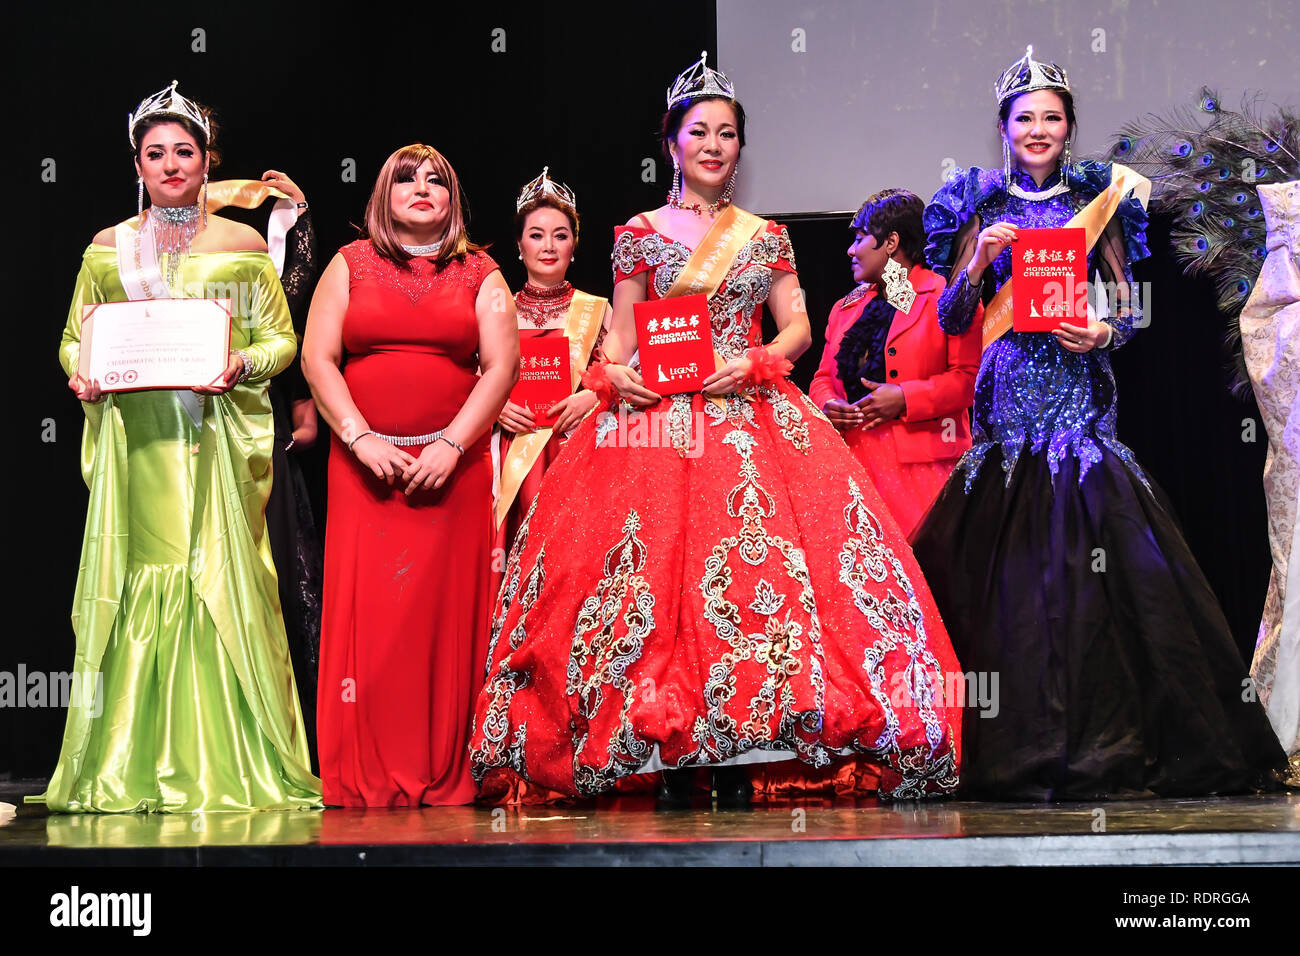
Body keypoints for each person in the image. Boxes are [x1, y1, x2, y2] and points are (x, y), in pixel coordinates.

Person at [469, 54, 962, 807]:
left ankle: (756, 742)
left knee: (763, 572)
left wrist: (762, 357)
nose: (713, 145)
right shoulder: (639, 232)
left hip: (748, 412)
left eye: (727, 134)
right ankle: (659, 743)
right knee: (648, 575)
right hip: (656, 422)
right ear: (670, 142)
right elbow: (620, 341)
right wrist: (614, 374)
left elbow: (797, 324)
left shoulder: (764, 236)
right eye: (698, 131)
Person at [911, 47, 1287, 799]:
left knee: (1102, 564)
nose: (1039, 129)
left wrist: (1105, 333)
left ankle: (1117, 740)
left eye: (1052, 118)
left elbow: (1131, 308)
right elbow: (952, 318)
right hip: (1010, 399)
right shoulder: (977, 204)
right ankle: (1005, 741)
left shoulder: (1101, 200)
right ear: (1003, 128)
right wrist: (978, 264)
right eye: (1026, 119)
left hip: (1082, 393)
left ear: (1070, 128)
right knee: (1011, 574)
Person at [34, 81, 321, 812]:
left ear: (207, 161)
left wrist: (242, 365)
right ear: (137, 163)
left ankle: (231, 761)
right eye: (154, 152)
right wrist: (83, 378)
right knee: (138, 579)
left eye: (183, 151)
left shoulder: (242, 244)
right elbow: (73, 340)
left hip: (214, 441)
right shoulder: (107, 250)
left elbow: (281, 340)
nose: (169, 164)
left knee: (223, 578)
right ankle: (125, 764)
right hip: (139, 446)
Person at [303, 143, 517, 807]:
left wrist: (452, 445)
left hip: (452, 473)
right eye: (406, 179)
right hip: (363, 470)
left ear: (453, 200)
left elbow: (502, 366)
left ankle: (447, 767)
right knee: (374, 624)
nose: (422, 188)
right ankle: (364, 767)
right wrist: (360, 437)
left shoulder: (482, 271)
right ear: (382, 196)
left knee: (442, 626)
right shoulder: (348, 264)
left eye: (436, 181)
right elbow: (317, 357)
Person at [810, 188, 980, 538]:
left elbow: (967, 381)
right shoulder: (846, 307)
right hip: (852, 465)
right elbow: (822, 376)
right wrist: (827, 403)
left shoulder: (946, 299)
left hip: (924, 470)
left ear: (891, 242)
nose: (850, 251)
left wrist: (905, 397)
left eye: (859, 239)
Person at [492, 168, 612, 586]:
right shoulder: (496, 308)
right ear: (519, 244)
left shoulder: (598, 309)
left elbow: (622, 377)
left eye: (560, 235)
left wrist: (593, 398)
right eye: (537, 234)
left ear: (574, 246)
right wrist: (494, 407)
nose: (548, 246)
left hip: (576, 450)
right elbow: (470, 379)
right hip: (511, 451)